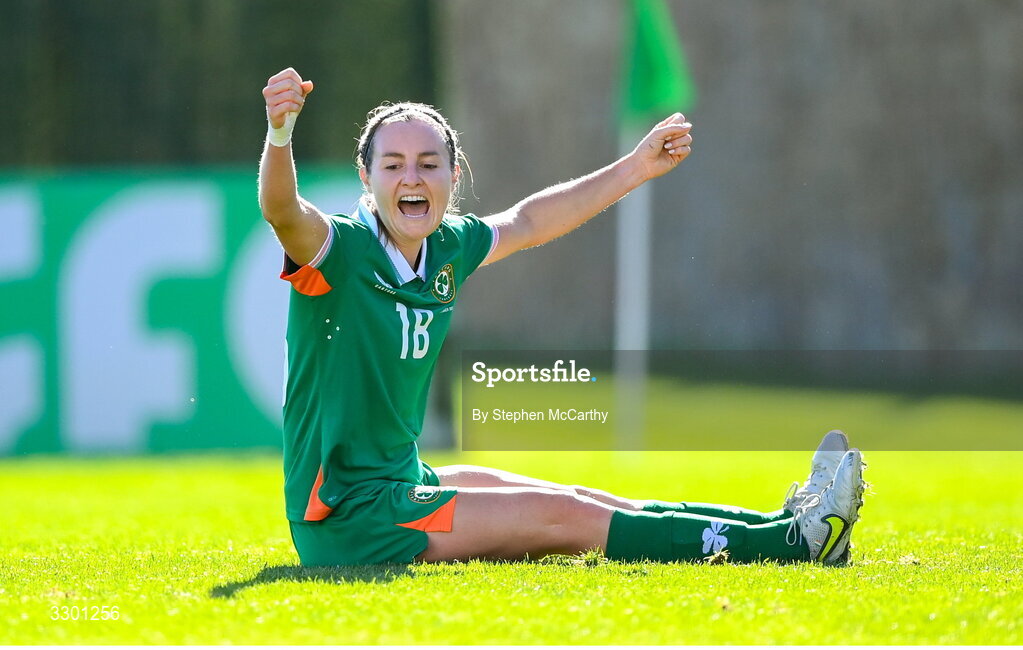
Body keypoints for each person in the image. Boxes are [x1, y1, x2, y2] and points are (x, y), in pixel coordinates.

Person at [258, 67, 865, 567]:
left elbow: (526, 221)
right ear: (366, 178)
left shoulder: (447, 245)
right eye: (392, 165)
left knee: (583, 498)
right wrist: (280, 134)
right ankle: (796, 546)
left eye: (427, 163)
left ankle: (787, 522)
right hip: (350, 514)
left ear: (453, 176)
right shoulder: (339, 251)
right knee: (568, 520)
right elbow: (281, 208)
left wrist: (635, 168)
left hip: (402, 478)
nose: (411, 177)